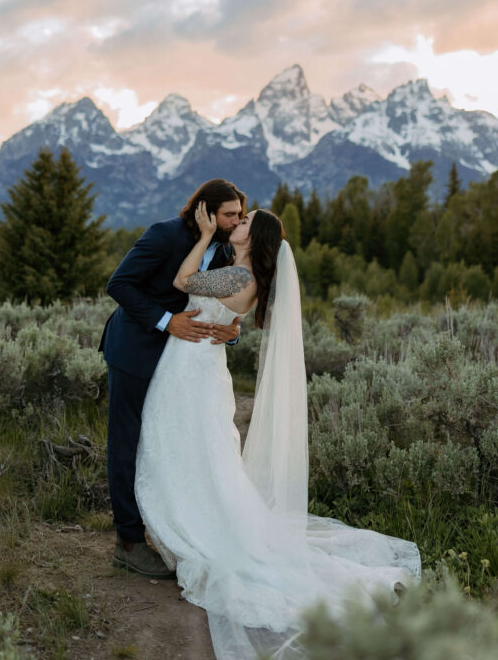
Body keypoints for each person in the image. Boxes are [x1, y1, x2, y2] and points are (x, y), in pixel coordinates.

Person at [135, 205, 421, 660]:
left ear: (257, 238)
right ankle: (191, 518)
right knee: (198, 451)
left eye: (243, 222)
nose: (236, 224)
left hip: (192, 371)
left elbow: (182, 283)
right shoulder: (243, 277)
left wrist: (206, 236)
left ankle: (194, 525)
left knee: (191, 449)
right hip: (197, 366)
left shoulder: (238, 278)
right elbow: (229, 324)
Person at [99, 178, 246, 579]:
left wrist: (233, 331)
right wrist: (167, 322)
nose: (238, 220)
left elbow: (227, 304)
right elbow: (119, 284)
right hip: (135, 351)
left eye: (240, 214)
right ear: (205, 211)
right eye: (230, 213)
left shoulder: (228, 250)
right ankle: (128, 542)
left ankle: (174, 529)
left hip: (181, 365)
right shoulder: (164, 236)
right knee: (127, 442)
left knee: (171, 444)